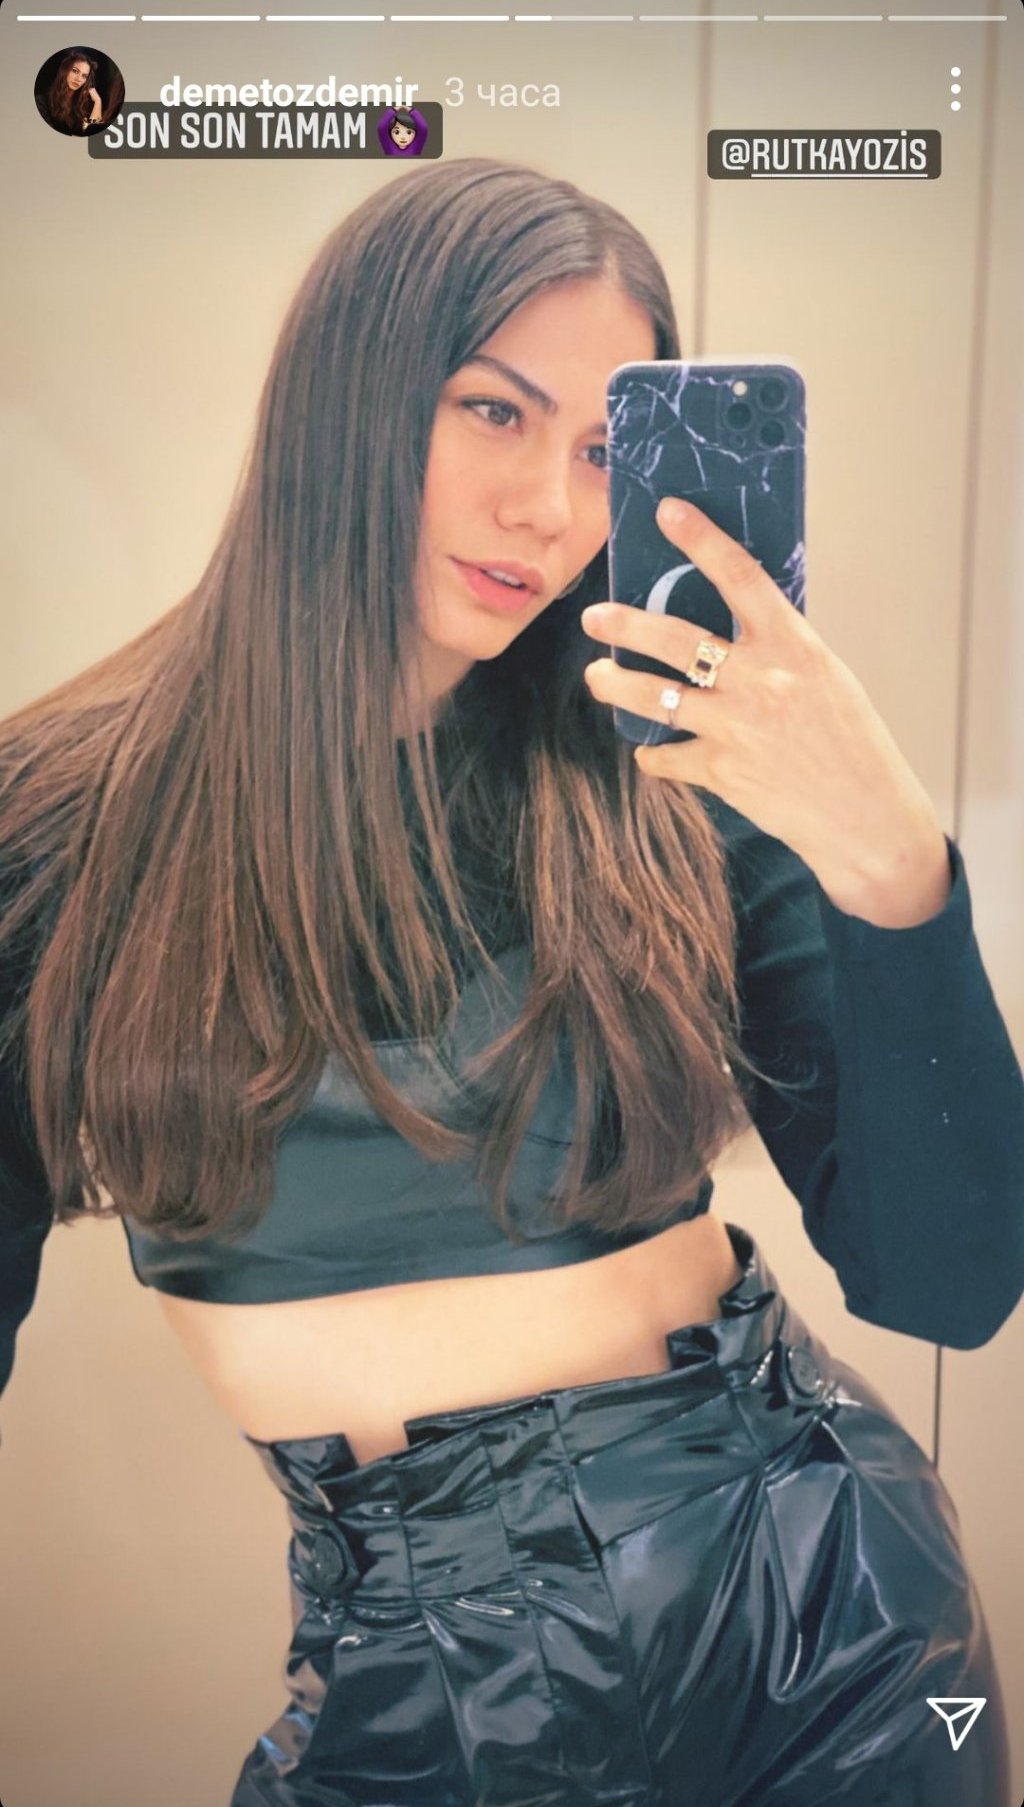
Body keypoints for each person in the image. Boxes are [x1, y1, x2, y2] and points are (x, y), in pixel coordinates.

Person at [1, 159, 1021, 1807]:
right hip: (416, 1686)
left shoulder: (668, 783)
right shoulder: (56, 826)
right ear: (346, 398)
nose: (551, 507)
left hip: (829, 1626)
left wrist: (888, 860)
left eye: (604, 446)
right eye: (493, 411)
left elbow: (949, 1282)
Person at [37, 50, 105, 135]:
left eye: (84, 76)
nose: (78, 79)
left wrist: (98, 101)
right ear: (64, 71)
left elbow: (93, 133)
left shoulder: (84, 105)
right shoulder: (43, 101)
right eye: (75, 71)